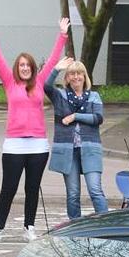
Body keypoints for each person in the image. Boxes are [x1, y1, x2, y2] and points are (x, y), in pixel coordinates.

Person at [0, 15, 68, 243]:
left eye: (28, 65)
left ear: (33, 68)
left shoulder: (39, 82)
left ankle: (29, 227)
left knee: (32, 188)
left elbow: (52, 60)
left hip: (38, 144)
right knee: (8, 188)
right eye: (21, 65)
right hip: (14, 144)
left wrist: (62, 35)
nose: (25, 68)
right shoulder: (9, 82)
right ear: (16, 69)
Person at [45, 57, 107, 219]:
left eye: (79, 73)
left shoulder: (94, 96)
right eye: (72, 74)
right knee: (73, 194)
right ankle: (75, 228)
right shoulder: (61, 96)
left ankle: (106, 226)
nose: (76, 77)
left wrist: (75, 116)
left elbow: (98, 118)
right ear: (67, 78)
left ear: (85, 77)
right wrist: (56, 69)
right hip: (68, 151)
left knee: (95, 190)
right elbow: (45, 86)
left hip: (90, 148)